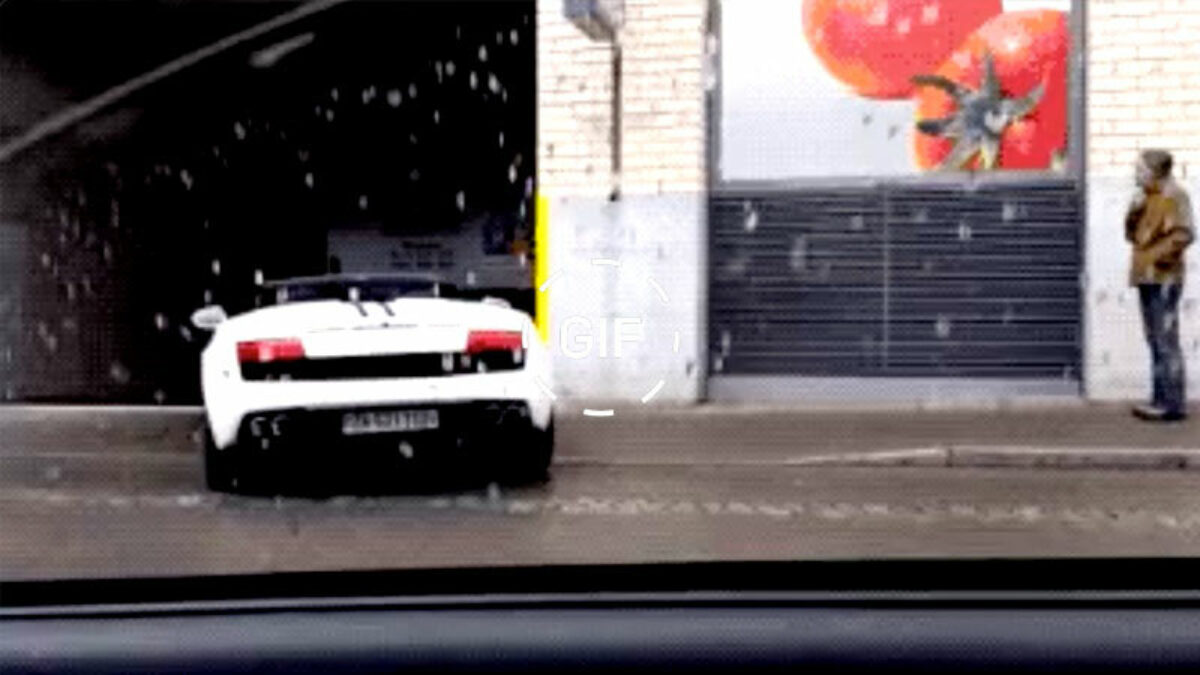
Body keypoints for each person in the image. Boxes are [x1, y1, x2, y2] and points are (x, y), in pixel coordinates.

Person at [1126, 149, 1194, 422]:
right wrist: (1134, 211)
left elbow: (1184, 234)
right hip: (1146, 277)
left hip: (1164, 278)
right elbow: (1132, 235)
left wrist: (1158, 258)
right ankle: (1159, 399)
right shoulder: (1145, 197)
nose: (1135, 173)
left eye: (1140, 168)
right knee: (1155, 340)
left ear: (1154, 171)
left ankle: (1173, 405)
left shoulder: (1174, 195)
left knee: (1166, 341)